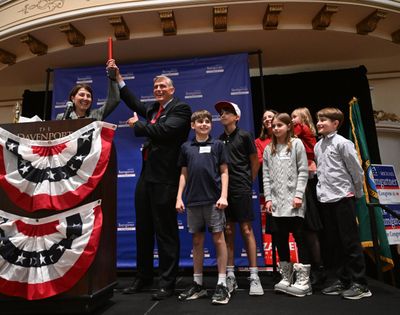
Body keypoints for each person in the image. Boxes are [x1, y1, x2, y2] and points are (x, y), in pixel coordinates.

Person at [107, 59, 192, 300]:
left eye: (163, 86)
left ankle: (167, 282)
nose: (158, 90)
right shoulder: (154, 110)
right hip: (146, 176)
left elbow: (166, 132)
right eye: (156, 87)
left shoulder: (181, 109)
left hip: (166, 178)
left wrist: (139, 126)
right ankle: (143, 277)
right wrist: (118, 79)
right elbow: (133, 102)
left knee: (165, 231)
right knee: (143, 229)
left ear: (172, 90)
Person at [314, 107, 372, 300]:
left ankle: (360, 283)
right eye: (318, 120)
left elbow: (356, 171)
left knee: (350, 242)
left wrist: (356, 193)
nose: (319, 123)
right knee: (335, 243)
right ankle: (343, 279)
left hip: (343, 198)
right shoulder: (317, 145)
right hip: (326, 199)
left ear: (335, 123)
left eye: (323, 120)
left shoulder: (343, 143)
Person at [176, 110, 230, 305]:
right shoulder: (186, 147)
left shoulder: (217, 145)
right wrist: (179, 197)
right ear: (193, 125)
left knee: (218, 239)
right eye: (200, 121)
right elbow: (184, 173)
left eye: (207, 121)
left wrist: (223, 195)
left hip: (214, 201)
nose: (204, 124)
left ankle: (222, 284)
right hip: (192, 201)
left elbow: (224, 172)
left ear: (211, 125)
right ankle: (198, 284)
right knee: (197, 242)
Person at [215, 101, 264, 296]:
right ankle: (230, 275)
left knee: (246, 228)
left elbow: (254, 161)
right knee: (227, 229)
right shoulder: (218, 140)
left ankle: (254, 276)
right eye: (221, 113)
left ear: (237, 117)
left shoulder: (244, 135)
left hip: (241, 189)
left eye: (228, 112)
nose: (223, 115)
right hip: (224, 191)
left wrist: (247, 181)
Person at [262, 113, 311, 297]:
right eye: (273, 126)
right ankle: (286, 277)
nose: (275, 128)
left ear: (289, 126)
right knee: (280, 239)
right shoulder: (269, 149)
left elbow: (303, 171)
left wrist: (298, 195)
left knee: (299, 238)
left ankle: (304, 280)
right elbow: (265, 176)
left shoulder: (297, 144)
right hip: (276, 204)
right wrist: (268, 198)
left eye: (279, 125)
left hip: (293, 202)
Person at [291, 107, 326, 287]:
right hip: (300, 182)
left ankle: (318, 270)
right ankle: (308, 270)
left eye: (294, 117)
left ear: (304, 118)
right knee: (302, 231)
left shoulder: (301, 129)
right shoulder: (306, 133)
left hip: (306, 185)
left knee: (309, 229)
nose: (292, 120)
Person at [56, 77, 120, 121]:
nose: (85, 98)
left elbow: (114, 100)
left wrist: (112, 76)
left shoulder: (95, 115)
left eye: (88, 96)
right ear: (73, 98)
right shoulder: (62, 117)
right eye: (81, 95)